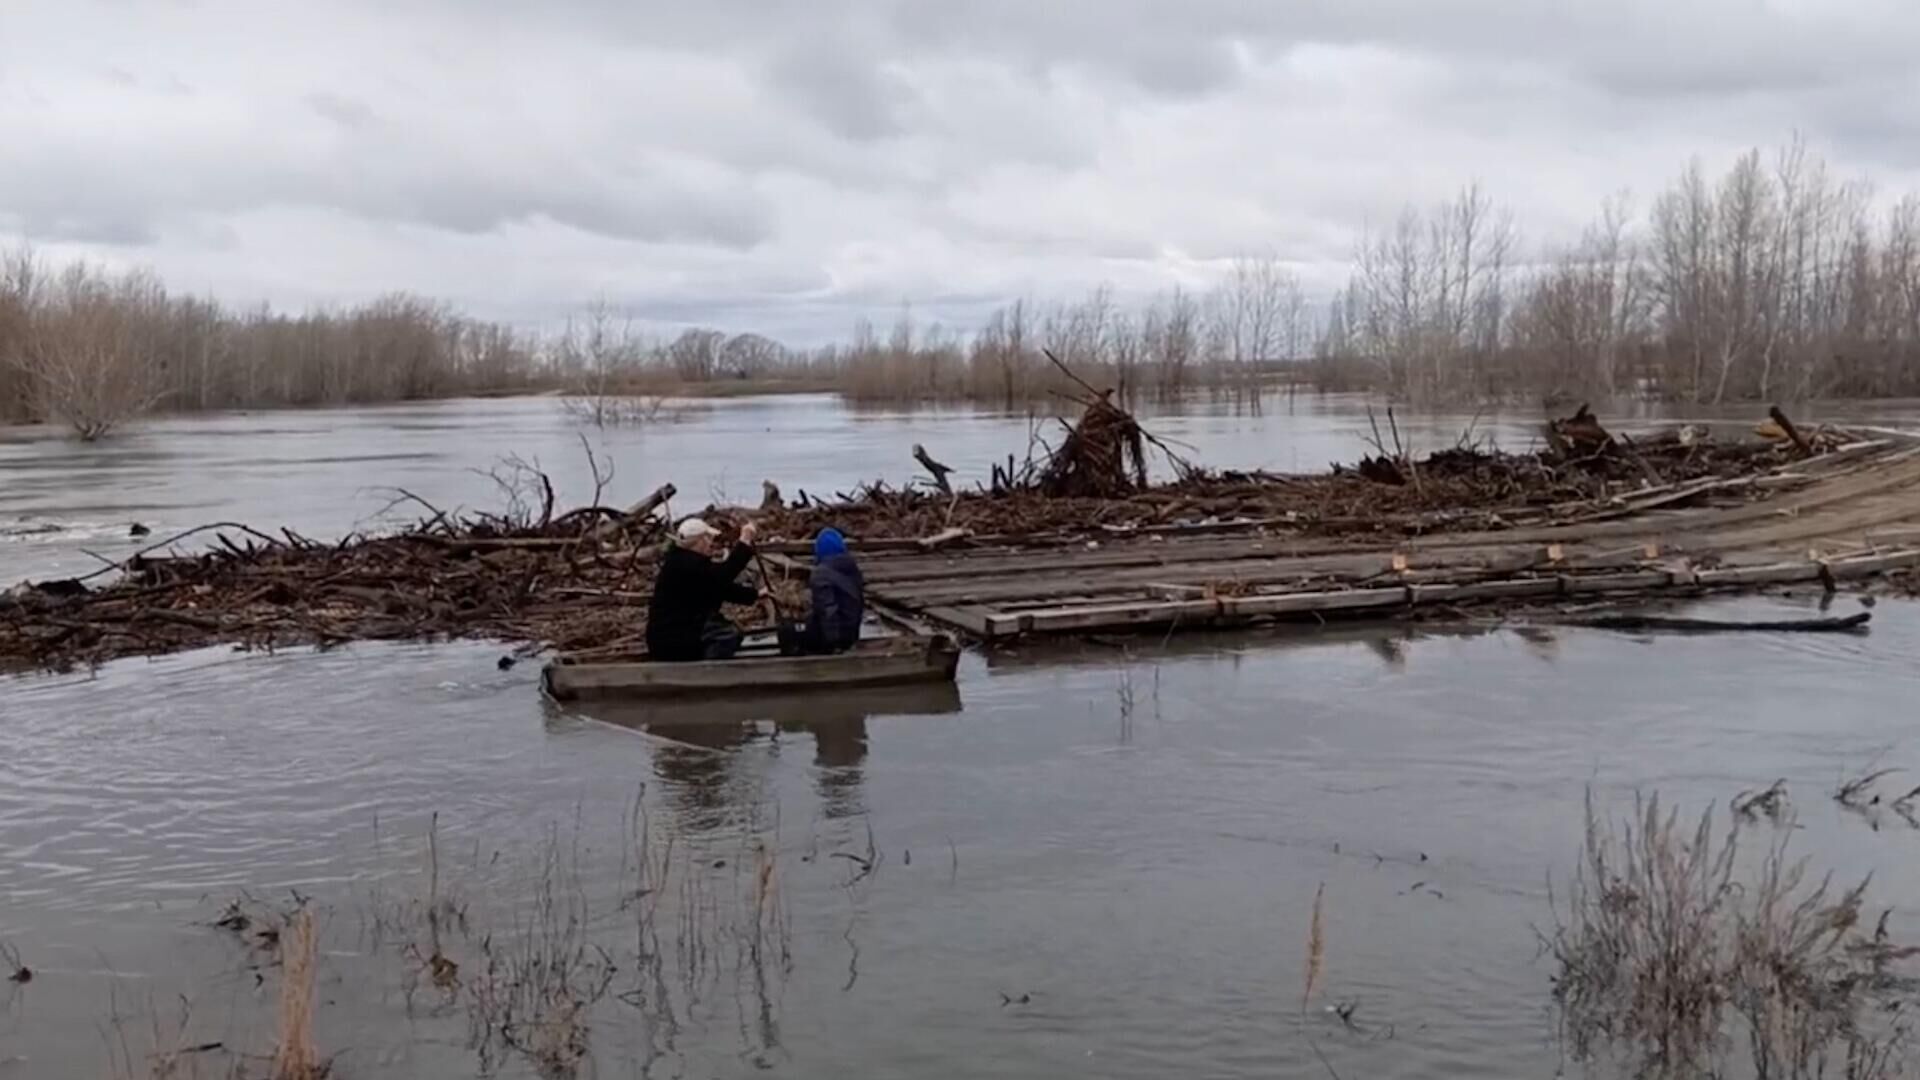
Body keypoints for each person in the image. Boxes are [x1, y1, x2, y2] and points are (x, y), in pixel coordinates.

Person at [646, 518, 761, 661]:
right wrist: (744, 542)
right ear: (700, 541)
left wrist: (756, 595)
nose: (712, 544)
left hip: (669, 637)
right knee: (727, 634)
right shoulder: (687, 565)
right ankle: (710, 673)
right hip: (675, 639)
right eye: (709, 539)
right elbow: (723, 575)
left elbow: (716, 588)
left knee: (724, 630)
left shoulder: (682, 562)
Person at [779, 527, 864, 656]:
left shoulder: (821, 575)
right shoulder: (852, 570)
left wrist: (833, 644)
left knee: (787, 630)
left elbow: (828, 610)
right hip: (851, 633)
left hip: (835, 637)